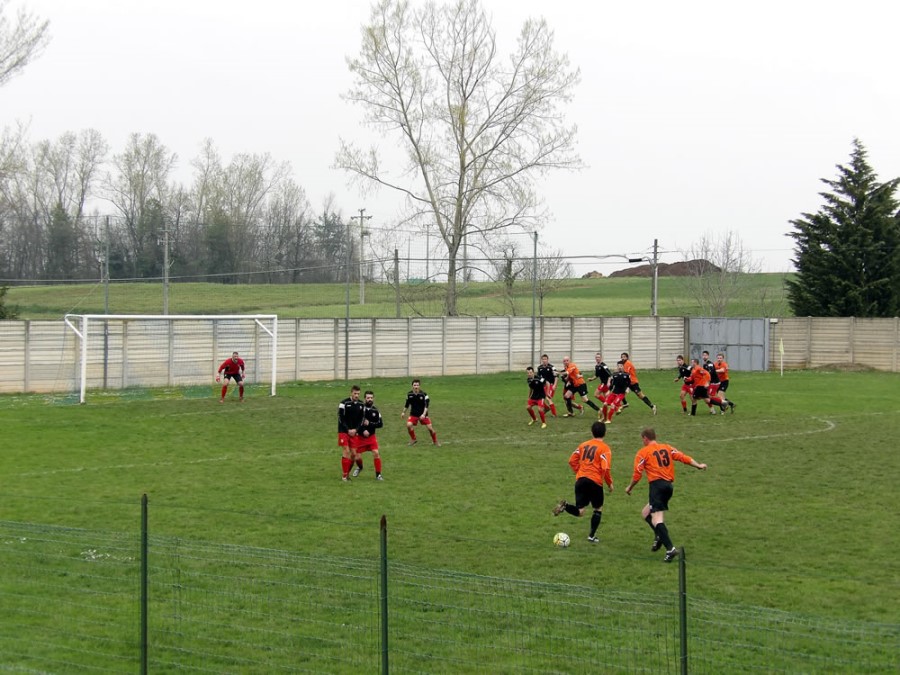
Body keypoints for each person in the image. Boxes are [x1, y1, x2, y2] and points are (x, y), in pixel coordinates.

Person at [624, 427, 708, 562]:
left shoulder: (642, 452)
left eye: (642, 439)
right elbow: (683, 457)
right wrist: (698, 465)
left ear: (645, 438)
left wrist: (630, 487)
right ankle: (659, 536)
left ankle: (670, 549)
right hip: (668, 487)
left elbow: (637, 474)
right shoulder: (666, 447)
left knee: (657, 519)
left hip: (657, 486)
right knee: (646, 513)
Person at [552, 421, 614, 543]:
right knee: (598, 509)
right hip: (595, 482)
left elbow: (571, 461)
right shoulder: (605, 449)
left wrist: (579, 473)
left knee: (580, 511)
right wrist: (609, 483)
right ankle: (591, 535)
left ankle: (566, 506)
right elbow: (605, 468)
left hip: (581, 480)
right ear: (605, 433)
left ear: (592, 432)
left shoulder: (583, 445)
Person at [352, 390, 384, 480]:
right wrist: (362, 431)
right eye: (368, 398)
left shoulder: (376, 410)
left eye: (371, 398)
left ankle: (378, 475)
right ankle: (360, 467)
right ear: (364, 399)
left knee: (376, 453)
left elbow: (380, 424)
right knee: (357, 457)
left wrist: (369, 424)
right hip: (360, 437)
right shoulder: (360, 409)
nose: (370, 399)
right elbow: (356, 422)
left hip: (371, 437)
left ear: (373, 399)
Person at [338, 385, 366, 481]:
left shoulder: (361, 404)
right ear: (351, 393)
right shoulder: (343, 403)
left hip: (354, 432)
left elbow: (361, 419)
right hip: (343, 431)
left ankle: (348, 473)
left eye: (358, 394)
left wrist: (356, 430)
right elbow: (341, 418)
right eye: (355, 393)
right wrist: (348, 430)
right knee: (346, 450)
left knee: (354, 454)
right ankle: (344, 475)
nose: (357, 395)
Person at [403, 378, 440, 446]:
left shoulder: (424, 394)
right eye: (415, 385)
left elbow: (426, 405)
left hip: (423, 414)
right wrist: (403, 412)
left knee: (430, 428)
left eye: (417, 385)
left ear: (419, 386)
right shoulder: (409, 394)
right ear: (412, 386)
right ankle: (413, 439)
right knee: (408, 425)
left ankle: (435, 441)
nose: (416, 387)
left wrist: (423, 414)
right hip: (413, 414)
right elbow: (407, 404)